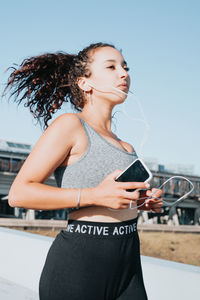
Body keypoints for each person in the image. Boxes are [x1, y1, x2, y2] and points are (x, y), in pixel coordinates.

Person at [6, 42, 163, 300]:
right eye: (111, 67)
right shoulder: (70, 125)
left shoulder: (126, 145)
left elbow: (112, 198)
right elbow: (19, 193)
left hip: (129, 260)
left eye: (125, 67)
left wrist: (140, 202)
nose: (123, 74)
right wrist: (95, 195)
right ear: (84, 83)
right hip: (80, 263)